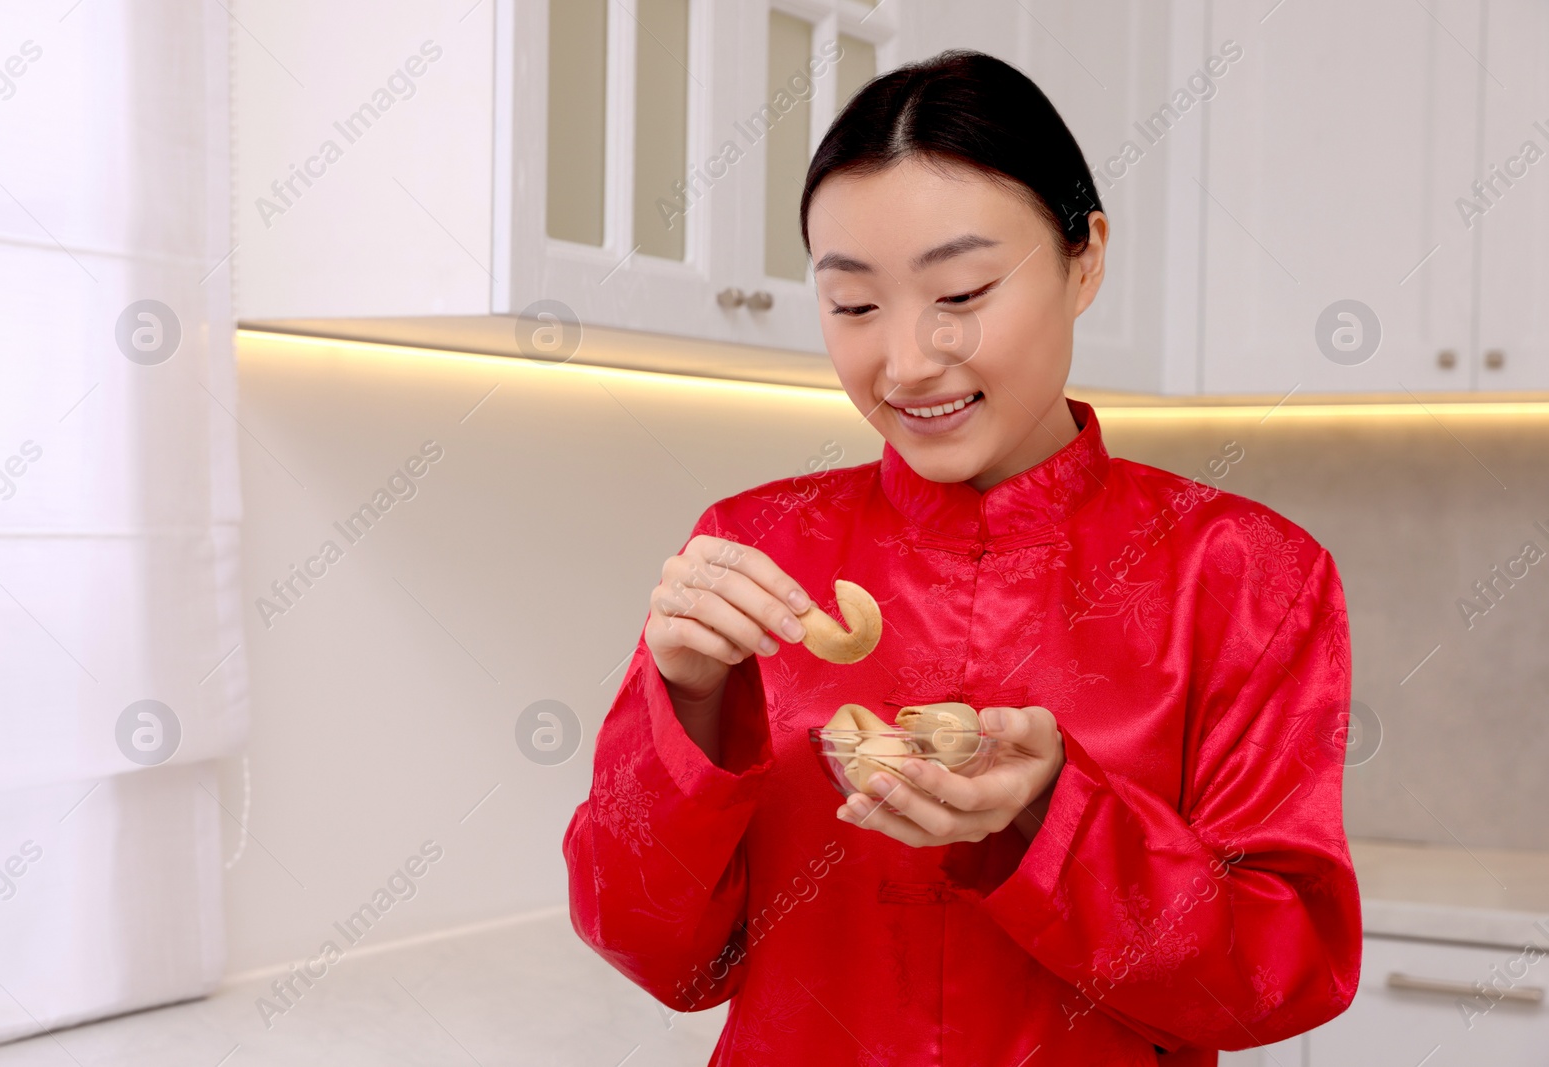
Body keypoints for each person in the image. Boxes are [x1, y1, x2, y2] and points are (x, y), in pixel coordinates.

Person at [563, 49, 1360, 1065]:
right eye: (853, 306)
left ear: (1084, 260)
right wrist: (685, 704)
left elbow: (1278, 977)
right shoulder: (754, 550)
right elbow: (657, 953)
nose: (904, 360)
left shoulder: (1246, 573)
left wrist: (1051, 815)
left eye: (963, 291)